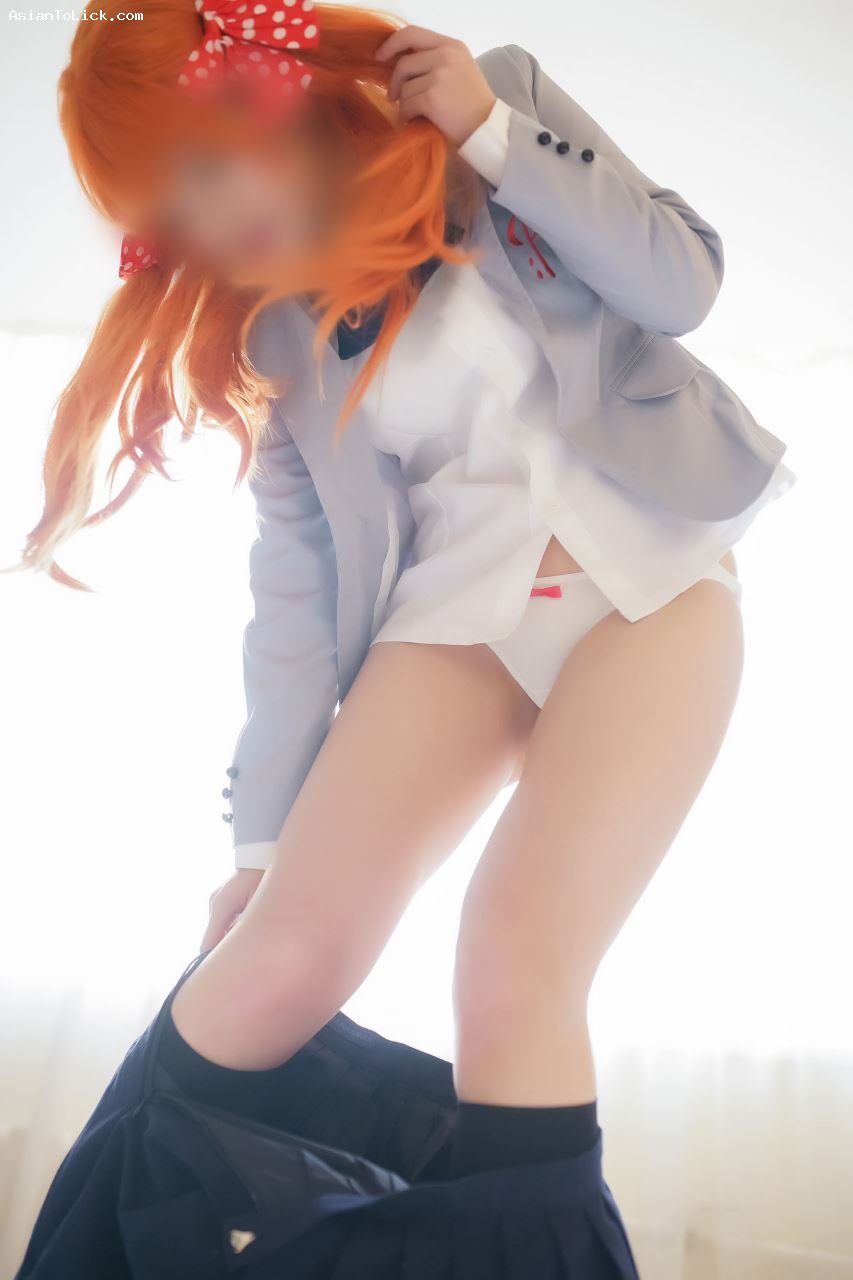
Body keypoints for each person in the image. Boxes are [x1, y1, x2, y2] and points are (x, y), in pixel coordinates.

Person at [19, 2, 792, 1275]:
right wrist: (260, 846)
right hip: (453, 616)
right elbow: (293, 597)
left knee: (513, 960)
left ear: (264, 89)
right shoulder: (274, 329)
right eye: (174, 208)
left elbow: (681, 282)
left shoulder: (494, 106)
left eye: (205, 167)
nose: (209, 222)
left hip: (652, 582)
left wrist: (491, 136)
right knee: (264, 961)